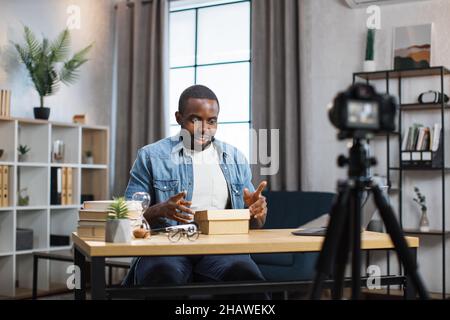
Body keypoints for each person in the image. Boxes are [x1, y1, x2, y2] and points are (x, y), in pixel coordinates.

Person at [122, 84, 269, 299]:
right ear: (179, 118)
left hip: (221, 250)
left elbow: (255, 225)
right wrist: (159, 210)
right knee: (162, 278)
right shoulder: (150, 156)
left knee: (249, 280)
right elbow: (126, 217)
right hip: (166, 247)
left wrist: (256, 214)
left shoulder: (236, 158)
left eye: (211, 121)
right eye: (195, 120)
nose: (204, 128)